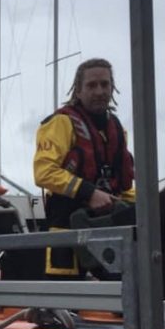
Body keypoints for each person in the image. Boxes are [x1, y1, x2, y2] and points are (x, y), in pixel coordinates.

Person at [33, 58, 135, 279]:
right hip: (67, 227)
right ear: (78, 91)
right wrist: (89, 193)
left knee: (126, 287)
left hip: (108, 225)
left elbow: (123, 185)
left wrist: (146, 205)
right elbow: (44, 172)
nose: (99, 91)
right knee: (64, 302)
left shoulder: (117, 129)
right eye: (91, 85)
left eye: (105, 84)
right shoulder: (61, 123)